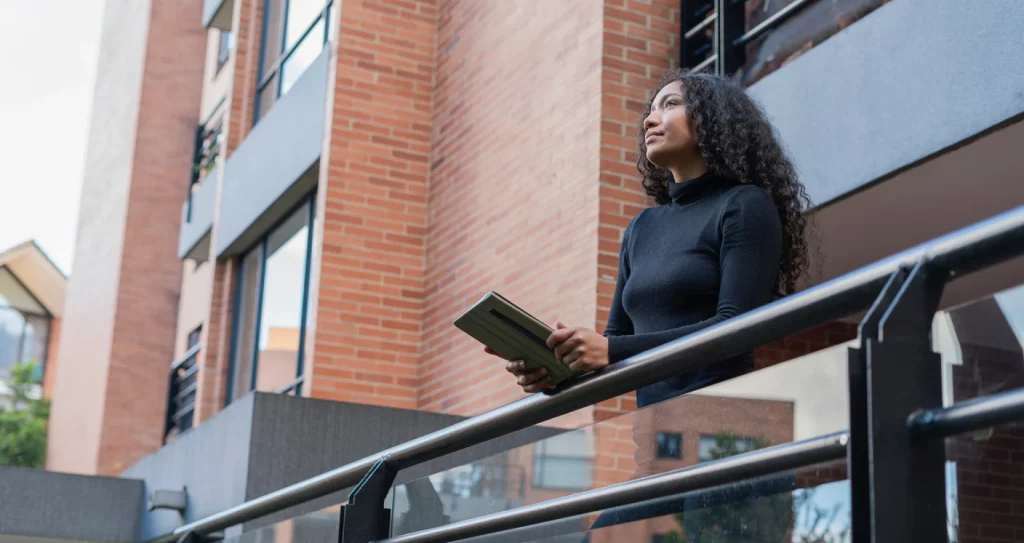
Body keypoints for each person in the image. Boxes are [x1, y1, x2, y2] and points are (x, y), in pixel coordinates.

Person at [497, 69, 812, 409]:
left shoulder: (744, 205)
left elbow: (734, 327)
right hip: (654, 430)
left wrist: (609, 350)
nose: (649, 121)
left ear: (710, 120)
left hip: (721, 423)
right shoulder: (641, 228)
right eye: (650, 111)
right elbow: (617, 342)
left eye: (670, 104)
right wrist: (557, 369)